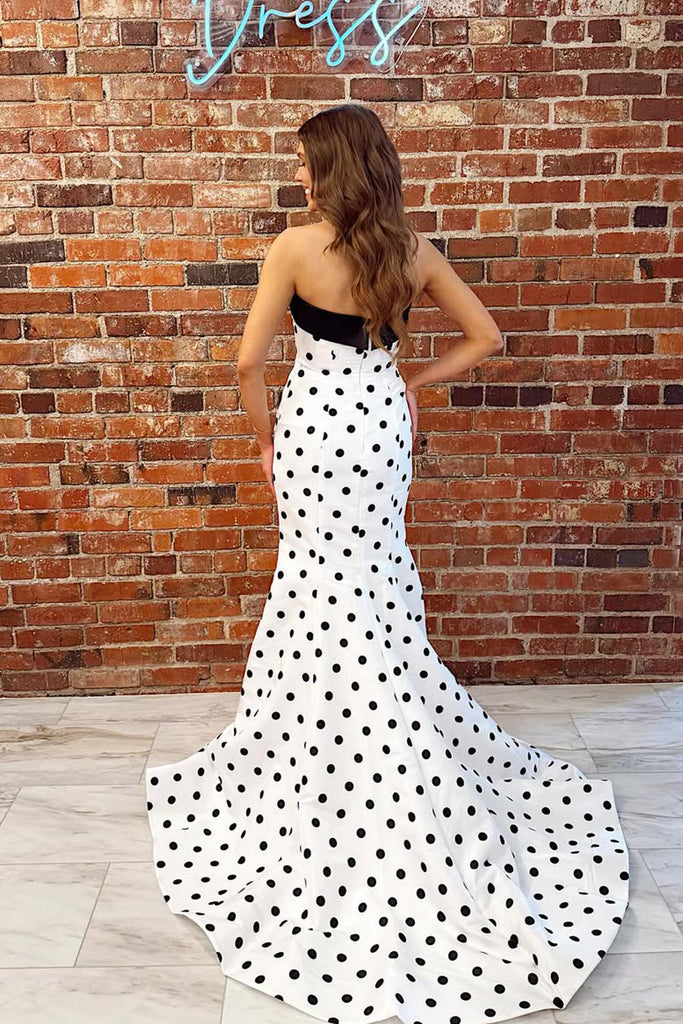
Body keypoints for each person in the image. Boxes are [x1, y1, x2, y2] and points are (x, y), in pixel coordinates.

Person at [145, 103, 630, 1024]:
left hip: (313, 425)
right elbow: (486, 337)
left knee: (315, 587)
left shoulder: (294, 248)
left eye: (304, 162)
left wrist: (265, 441)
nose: (297, 176)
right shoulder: (412, 250)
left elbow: (248, 363)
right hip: (377, 426)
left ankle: (330, 743)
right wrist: (413, 381)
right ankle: (386, 729)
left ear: (331, 168)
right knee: (372, 587)